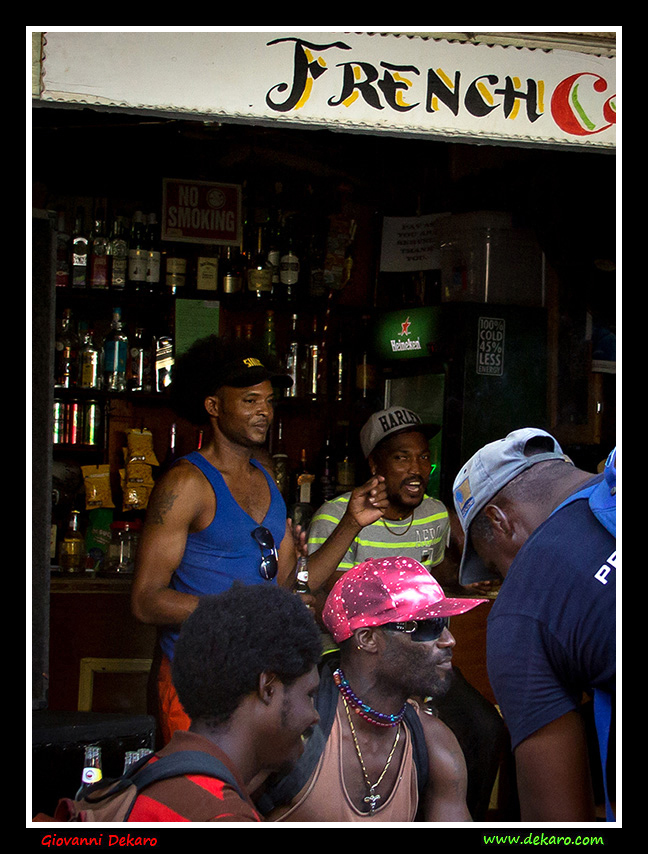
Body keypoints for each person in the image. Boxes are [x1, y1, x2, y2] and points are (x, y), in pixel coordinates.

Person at [303, 406, 509, 819]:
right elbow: (323, 603)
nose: (417, 468)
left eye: (423, 456)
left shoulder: (434, 514)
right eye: (401, 458)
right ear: (375, 464)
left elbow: (433, 578)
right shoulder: (335, 517)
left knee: (485, 730)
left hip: (418, 652)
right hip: (353, 661)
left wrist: (457, 581)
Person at [131, 335, 297, 744]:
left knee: (251, 804)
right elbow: (145, 600)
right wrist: (236, 611)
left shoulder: (267, 478)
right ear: (213, 407)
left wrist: (350, 523)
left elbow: (282, 587)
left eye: (269, 401)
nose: (264, 412)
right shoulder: (187, 482)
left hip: (256, 681)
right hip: (197, 681)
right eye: (250, 400)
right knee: (201, 798)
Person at [453, 428, 616, 822]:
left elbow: (558, 825)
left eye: (495, 565)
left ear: (500, 520)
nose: (505, 579)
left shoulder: (523, 603)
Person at [259, 556, 484, 822]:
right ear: (367, 639)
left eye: (444, 623)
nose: (448, 640)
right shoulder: (295, 730)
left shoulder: (435, 744)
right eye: (427, 626)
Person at [127, 584, 322, 822]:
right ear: (267, 688)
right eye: (309, 695)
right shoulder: (224, 816)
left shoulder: (147, 775)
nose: (315, 716)